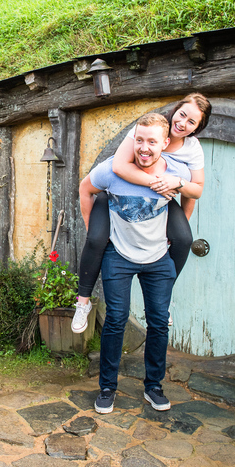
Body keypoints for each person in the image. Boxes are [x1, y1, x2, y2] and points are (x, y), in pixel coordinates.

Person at [72, 93, 212, 334]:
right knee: (96, 239)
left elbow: (194, 191)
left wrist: (177, 201)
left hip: (162, 198)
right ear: (175, 110)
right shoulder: (150, 129)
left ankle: (162, 300)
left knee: (184, 239)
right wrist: (155, 183)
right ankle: (82, 302)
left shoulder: (192, 149)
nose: (183, 123)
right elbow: (118, 166)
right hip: (120, 192)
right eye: (182, 115)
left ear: (197, 128)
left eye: (192, 122)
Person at [78, 113, 179, 414]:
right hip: (119, 256)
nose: (144, 148)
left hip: (158, 257)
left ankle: (154, 387)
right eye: (139, 140)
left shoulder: (174, 172)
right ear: (131, 141)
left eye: (152, 141)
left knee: (159, 322)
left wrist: (179, 229)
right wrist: (93, 231)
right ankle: (107, 387)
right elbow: (86, 189)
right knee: (116, 320)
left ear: (165, 143)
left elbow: (191, 195)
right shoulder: (111, 170)